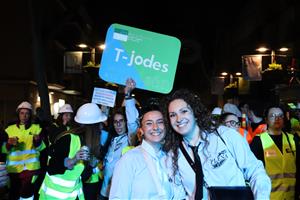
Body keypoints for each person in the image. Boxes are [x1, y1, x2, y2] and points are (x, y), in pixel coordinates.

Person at [162, 89, 271, 200]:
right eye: (172, 115)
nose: (179, 119)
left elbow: (255, 171)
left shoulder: (225, 136)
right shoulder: (173, 154)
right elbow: (179, 195)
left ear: (195, 112)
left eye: (184, 111)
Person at [109, 101, 187, 199]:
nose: (155, 127)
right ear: (141, 130)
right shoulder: (129, 159)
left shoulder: (171, 157)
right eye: (149, 123)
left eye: (160, 122)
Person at [39, 102, 107, 199]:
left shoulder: (88, 144)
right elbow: (51, 167)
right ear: (92, 127)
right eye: (99, 124)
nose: (101, 128)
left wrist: (91, 166)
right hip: (53, 196)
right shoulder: (68, 139)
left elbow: (83, 176)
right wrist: (71, 161)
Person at [100, 78, 139, 199]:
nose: (118, 125)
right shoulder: (110, 139)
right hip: (103, 192)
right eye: (115, 122)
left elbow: (133, 122)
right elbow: (101, 123)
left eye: (121, 121)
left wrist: (127, 95)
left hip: (119, 194)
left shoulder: (130, 138)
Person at [250, 105, 297, 200]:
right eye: (273, 116)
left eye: (280, 116)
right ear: (266, 120)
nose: (277, 118)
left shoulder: (293, 140)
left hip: (290, 196)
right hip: (269, 197)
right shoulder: (258, 141)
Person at [2, 101, 46, 200]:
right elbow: (3, 150)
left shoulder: (37, 128)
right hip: (14, 170)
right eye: (22, 113)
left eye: (27, 113)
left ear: (30, 115)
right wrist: (9, 144)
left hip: (31, 170)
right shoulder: (9, 130)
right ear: (18, 114)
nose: (24, 116)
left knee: (27, 195)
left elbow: (42, 149)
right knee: (14, 194)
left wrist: (37, 142)